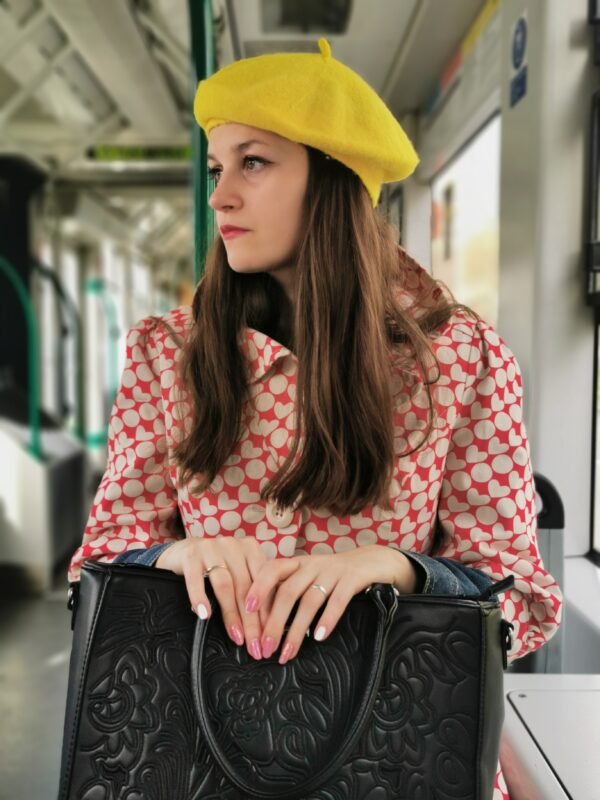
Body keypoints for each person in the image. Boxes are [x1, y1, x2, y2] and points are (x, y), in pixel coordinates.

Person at [69, 39, 562, 800]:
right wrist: (174, 559)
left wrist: (400, 569)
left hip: (397, 761)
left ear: (332, 180)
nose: (219, 196)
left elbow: (522, 604)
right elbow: (98, 563)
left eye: (253, 163)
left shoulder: (458, 357)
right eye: (216, 168)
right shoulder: (168, 354)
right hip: (199, 757)